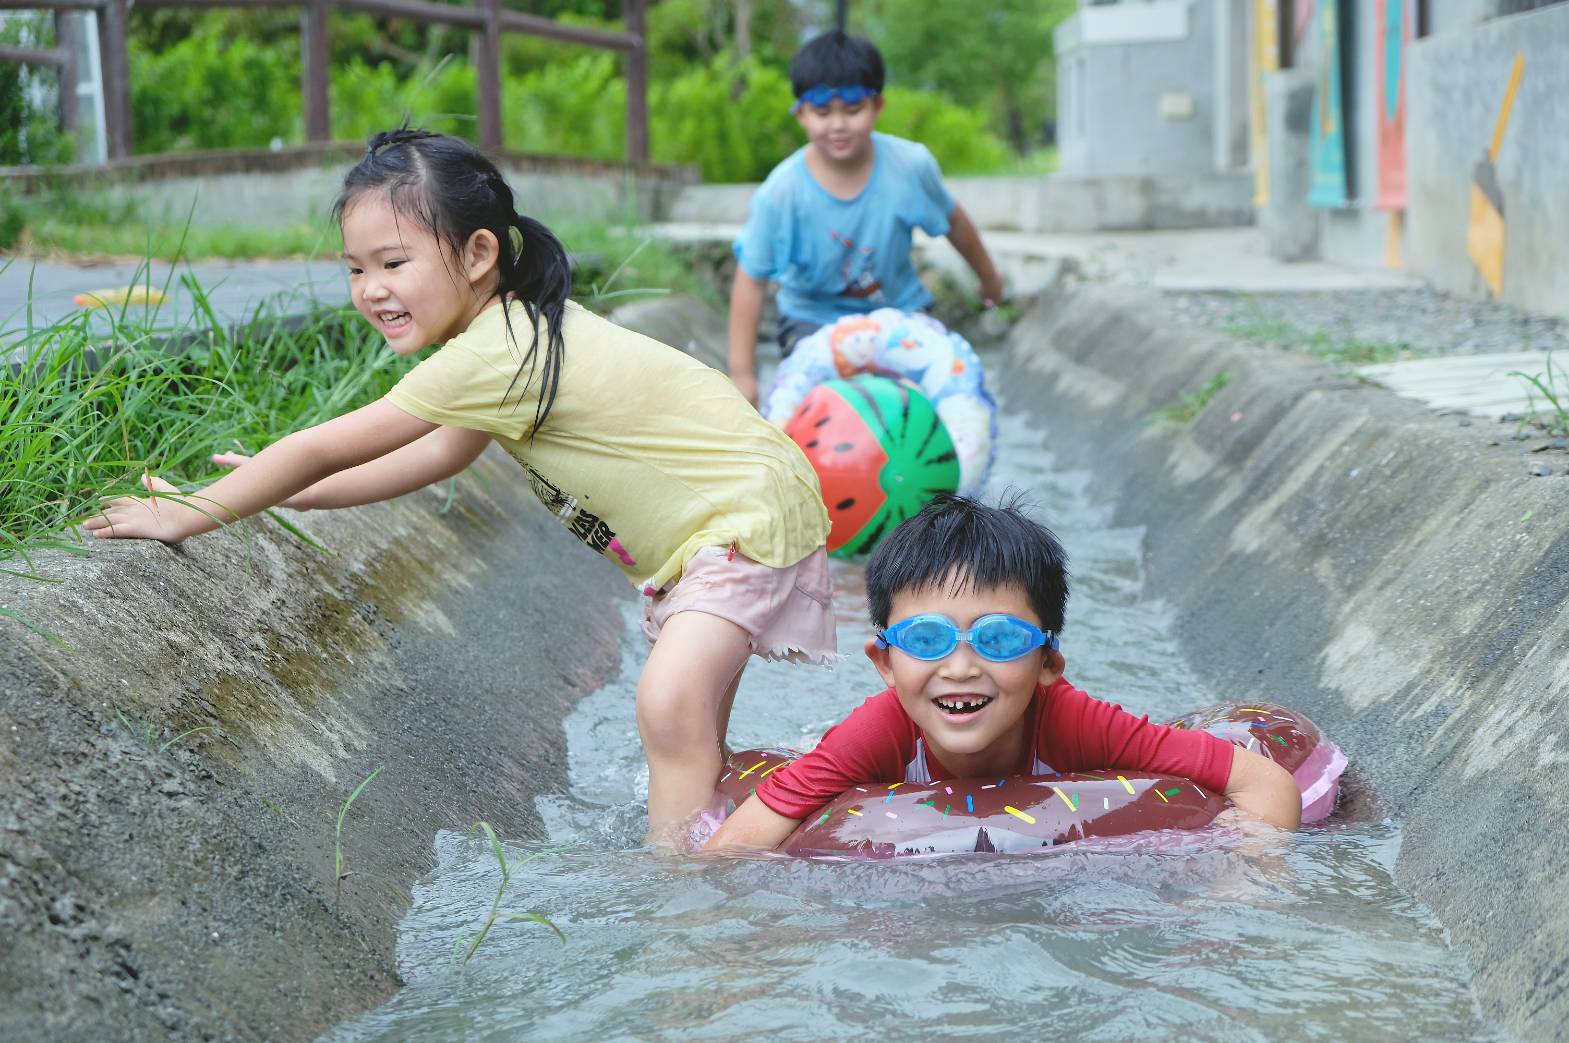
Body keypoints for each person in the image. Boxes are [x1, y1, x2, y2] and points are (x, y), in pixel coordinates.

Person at [83, 127, 836, 846]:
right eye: (355, 268)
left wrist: (194, 513)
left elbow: (319, 445)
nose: (371, 289)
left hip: (738, 518)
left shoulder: (490, 352)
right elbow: (439, 455)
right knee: (688, 729)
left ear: (478, 253)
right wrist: (289, 492)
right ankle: (736, 819)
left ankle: (686, 882)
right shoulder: (510, 335)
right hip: (739, 509)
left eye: (393, 262)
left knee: (669, 708)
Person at [707, 495, 1302, 851]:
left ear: (1047, 663)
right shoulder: (875, 734)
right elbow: (737, 843)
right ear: (884, 663)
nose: (961, 667)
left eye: (999, 639)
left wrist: (1244, 879)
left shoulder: (1075, 722)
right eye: (927, 639)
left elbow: (1265, 783)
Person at [726, 31, 1007, 406]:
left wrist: (989, 278)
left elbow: (954, 222)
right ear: (801, 115)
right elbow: (751, 279)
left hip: (899, 312)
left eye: (853, 110)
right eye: (823, 113)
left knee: (922, 400)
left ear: (877, 106)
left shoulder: (909, 167)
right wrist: (742, 373)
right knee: (823, 406)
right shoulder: (782, 193)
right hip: (812, 321)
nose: (838, 125)